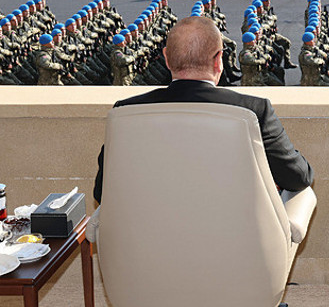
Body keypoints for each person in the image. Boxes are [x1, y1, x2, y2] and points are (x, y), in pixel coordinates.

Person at [93, 16, 314, 205]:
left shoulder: (126, 113)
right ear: (219, 61)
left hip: (145, 248)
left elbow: (103, 192)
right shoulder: (254, 111)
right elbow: (298, 177)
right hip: (235, 247)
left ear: (167, 59)